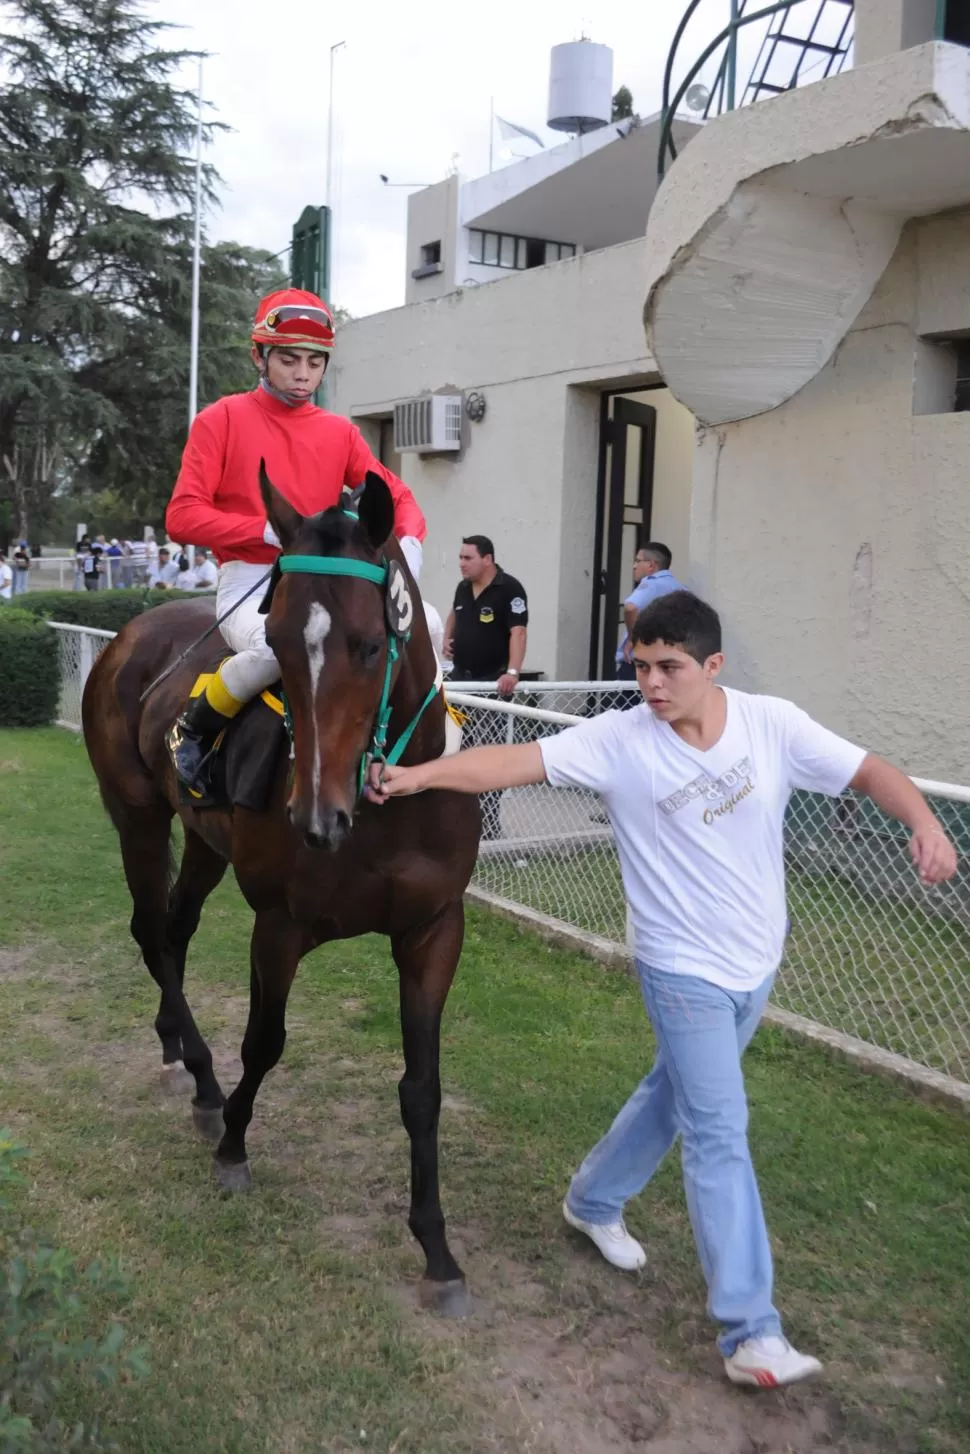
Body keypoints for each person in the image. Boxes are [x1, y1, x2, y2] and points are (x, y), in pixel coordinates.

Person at [366, 589, 957, 1388]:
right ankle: (751, 1332)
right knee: (719, 1129)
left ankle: (593, 1197)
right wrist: (417, 777)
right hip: (681, 970)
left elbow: (870, 772)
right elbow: (511, 762)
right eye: (640, 666)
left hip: (757, 962)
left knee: (673, 1098)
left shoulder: (771, 725)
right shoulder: (620, 741)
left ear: (714, 667)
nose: (651, 682)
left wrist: (922, 822)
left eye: (669, 667)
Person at [164, 287, 426, 790]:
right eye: (288, 359)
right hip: (251, 576)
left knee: (426, 631)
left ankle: (429, 743)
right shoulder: (219, 420)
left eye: (314, 361)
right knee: (275, 650)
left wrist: (409, 544)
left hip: (330, 579)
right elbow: (182, 515)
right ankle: (194, 728)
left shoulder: (340, 433)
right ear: (258, 355)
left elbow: (398, 496)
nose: (303, 373)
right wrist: (261, 529)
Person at [444, 534, 528, 839]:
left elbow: (518, 633)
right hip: (460, 680)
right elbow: (455, 612)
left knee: (488, 751)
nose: (462, 564)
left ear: (487, 560)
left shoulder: (510, 589)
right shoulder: (463, 587)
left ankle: (489, 823)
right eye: (461, 557)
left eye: (468, 558)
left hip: (491, 682)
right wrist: (446, 638)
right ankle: (458, 817)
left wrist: (513, 672)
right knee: (455, 748)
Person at [615, 543, 682, 683]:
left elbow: (630, 607)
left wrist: (633, 638)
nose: (634, 566)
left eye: (638, 561)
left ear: (651, 565)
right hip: (667, 663)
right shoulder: (680, 588)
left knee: (620, 704)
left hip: (639, 663)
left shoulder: (652, 583)